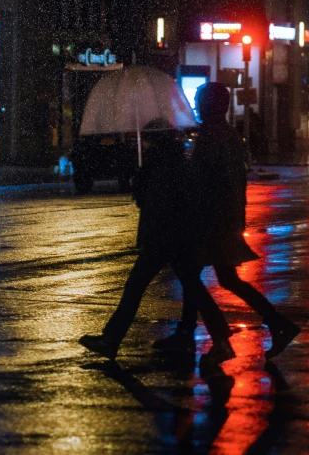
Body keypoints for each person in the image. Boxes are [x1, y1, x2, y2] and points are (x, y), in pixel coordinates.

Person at [153, 83, 300, 361]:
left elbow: (202, 180)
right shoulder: (228, 135)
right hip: (226, 217)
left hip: (213, 221)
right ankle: (278, 324)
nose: (196, 105)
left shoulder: (211, 136)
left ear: (210, 105)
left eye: (200, 100)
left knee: (192, 275)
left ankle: (220, 337)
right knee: (214, 277)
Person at [79, 120, 235, 372]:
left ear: (153, 139)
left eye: (147, 139)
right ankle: (221, 339)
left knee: (135, 287)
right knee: (193, 289)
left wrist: (141, 182)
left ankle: (111, 340)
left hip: (163, 238)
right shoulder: (177, 160)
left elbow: (155, 204)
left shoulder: (160, 164)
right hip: (181, 236)